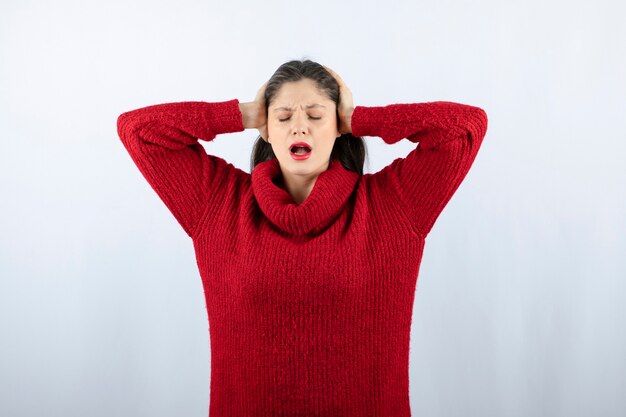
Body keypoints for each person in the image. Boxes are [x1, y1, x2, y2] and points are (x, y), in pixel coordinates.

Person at [116, 59, 488, 416]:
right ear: (266, 128)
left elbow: (466, 127)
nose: (299, 127)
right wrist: (243, 114)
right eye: (282, 117)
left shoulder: (393, 204)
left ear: (338, 126)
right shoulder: (219, 203)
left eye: (315, 116)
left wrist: (361, 118)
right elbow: (137, 130)